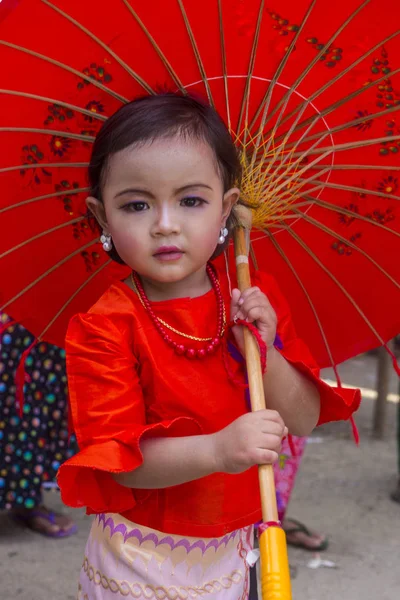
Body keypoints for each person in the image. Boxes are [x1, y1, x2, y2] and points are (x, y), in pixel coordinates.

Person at [57, 93, 360, 598]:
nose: (165, 224)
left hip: (238, 548)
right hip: (142, 557)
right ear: (101, 216)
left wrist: (267, 351)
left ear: (226, 206)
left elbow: (303, 419)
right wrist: (220, 449)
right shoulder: (104, 328)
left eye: (191, 200)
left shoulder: (252, 296)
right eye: (136, 204)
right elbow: (124, 464)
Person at [0, 315, 77, 537]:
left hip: (55, 321)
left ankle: (25, 499)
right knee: (19, 399)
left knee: (41, 405)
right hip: (20, 312)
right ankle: (24, 499)